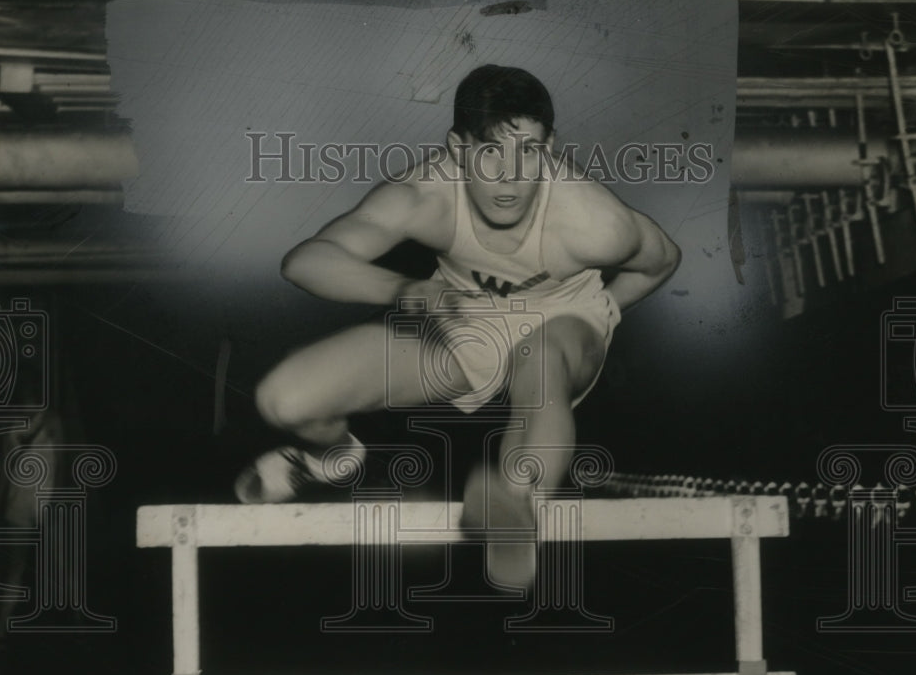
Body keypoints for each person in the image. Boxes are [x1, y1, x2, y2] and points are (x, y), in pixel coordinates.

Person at [235, 65, 681, 586]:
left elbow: (660, 261)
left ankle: (516, 504)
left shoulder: (596, 222)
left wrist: (605, 311)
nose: (511, 178)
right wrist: (399, 289)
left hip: (565, 324)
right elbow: (306, 261)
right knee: (285, 399)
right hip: (462, 321)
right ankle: (333, 456)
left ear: (551, 146)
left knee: (541, 360)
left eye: (529, 152)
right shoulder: (425, 196)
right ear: (457, 148)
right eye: (490, 152)